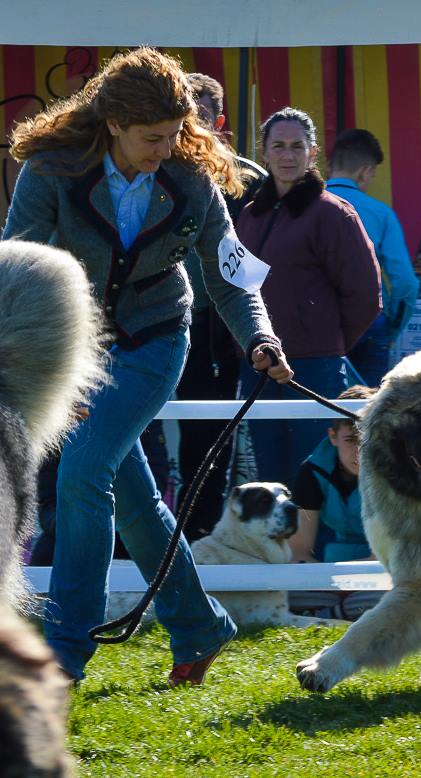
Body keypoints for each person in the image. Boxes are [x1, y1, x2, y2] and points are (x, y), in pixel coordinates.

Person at [1, 47, 293, 684]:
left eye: (174, 134)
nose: (167, 149)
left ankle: (65, 651)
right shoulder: (50, 168)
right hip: (72, 350)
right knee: (130, 497)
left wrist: (261, 338)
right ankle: (198, 624)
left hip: (156, 340)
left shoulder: (190, 176)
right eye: (151, 138)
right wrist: (42, 365)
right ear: (113, 124)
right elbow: (16, 268)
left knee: (82, 474)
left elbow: (230, 274)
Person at [236, 108, 381, 487]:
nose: (287, 155)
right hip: (258, 369)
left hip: (314, 370)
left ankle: (318, 550)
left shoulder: (333, 213)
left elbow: (366, 296)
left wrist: (326, 344)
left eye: (296, 146)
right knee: (269, 485)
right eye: (278, 146)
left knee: (314, 481)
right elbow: (236, 289)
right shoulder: (250, 216)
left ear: (312, 152)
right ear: (263, 152)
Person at [173, 72, 268, 542]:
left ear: (221, 119)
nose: (194, 122)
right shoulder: (153, 168)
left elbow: (270, 253)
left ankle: (199, 535)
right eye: (186, 113)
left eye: (203, 114)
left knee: (209, 440)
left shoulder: (250, 181)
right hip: (156, 320)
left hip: (221, 327)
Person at [326, 129, 420, 386]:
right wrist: (392, 327)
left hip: (319, 326)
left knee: (318, 412)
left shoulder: (303, 207)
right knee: (366, 414)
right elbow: (405, 283)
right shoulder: (381, 214)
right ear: (365, 172)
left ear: (329, 165)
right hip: (369, 323)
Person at [288, 385, 382, 620]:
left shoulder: (397, 471)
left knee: (392, 596)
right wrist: (333, 583)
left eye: (367, 438)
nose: (360, 451)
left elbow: (383, 558)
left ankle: (327, 613)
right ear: (332, 437)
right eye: (351, 439)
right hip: (333, 574)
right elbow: (298, 552)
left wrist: (335, 584)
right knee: (281, 589)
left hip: (386, 571)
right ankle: (340, 611)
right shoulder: (311, 471)